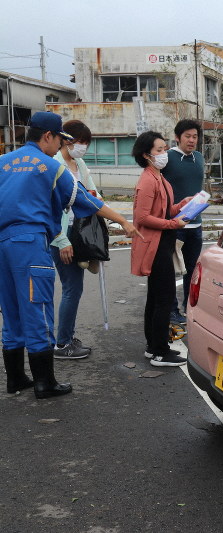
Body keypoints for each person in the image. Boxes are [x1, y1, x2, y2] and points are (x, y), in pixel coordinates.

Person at [0, 111, 137, 399]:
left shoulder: (3, 162)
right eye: (60, 140)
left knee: (11, 309)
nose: (61, 146)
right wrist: (123, 221)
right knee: (38, 309)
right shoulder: (52, 167)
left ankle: (15, 378)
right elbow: (86, 200)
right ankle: (45, 383)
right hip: (30, 243)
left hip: (3, 244)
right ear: (48, 136)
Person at [130, 131, 192, 367]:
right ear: (146, 155)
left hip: (162, 243)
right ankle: (160, 351)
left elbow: (164, 211)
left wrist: (182, 205)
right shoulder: (147, 180)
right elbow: (142, 217)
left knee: (156, 297)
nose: (164, 153)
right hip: (155, 246)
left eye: (165, 149)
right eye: (159, 150)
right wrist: (172, 224)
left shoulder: (159, 177)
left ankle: (153, 346)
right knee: (164, 298)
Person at [49, 120, 99, 360]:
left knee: (74, 288)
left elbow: (92, 193)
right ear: (67, 140)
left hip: (78, 231)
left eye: (86, 143)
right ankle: (63, 343)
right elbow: (52, 207)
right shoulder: (55, 164)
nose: (83, 147)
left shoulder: (79, 163)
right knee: (72, 288)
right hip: (63, 235)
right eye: (80, 142)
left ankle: (66, 337)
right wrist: (61, 240)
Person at [162, 119, 205, 325]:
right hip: (175, 225)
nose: (192, 140)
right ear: (177, 137)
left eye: (195, 136)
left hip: (196, 224)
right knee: (171, 270)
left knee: (192, 270)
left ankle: (189, 307)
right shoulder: (167, 158)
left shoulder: (199, 158)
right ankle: (171, 310)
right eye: (187, 136)